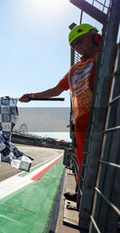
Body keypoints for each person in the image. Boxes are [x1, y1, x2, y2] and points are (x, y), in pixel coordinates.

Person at [19, 23, 101, 185]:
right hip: (82, 120)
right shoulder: (74, 70)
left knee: (104, 158)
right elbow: (56, 90)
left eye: (80, 41)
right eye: (74, 45)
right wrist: (33, 95)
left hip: (106, 116)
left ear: (96, 38)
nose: (77, 48)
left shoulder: (111, 53)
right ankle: (83, 193)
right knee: (83, 157)